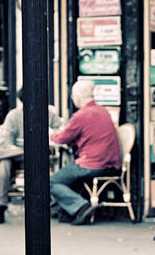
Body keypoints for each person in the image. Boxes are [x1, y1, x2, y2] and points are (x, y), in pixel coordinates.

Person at [49, 78, 121, 225]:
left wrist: (49, 134)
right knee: (67, 177)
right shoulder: (102, 111)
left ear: (76, 97)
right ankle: (68, 210)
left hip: (91, 164)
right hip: (110, 164)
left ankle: (81, 206)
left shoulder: (81, 115)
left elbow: (62, 138)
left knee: (51, 182)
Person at [0, 89, 63, 224]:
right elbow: (7, 142)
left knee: (2, 156)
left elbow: (61, 133)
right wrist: (20, 151)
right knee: (3, 164)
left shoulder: (50, 116)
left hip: (41, 156)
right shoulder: (14, 116)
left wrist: (52, 134)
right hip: (18, 157)